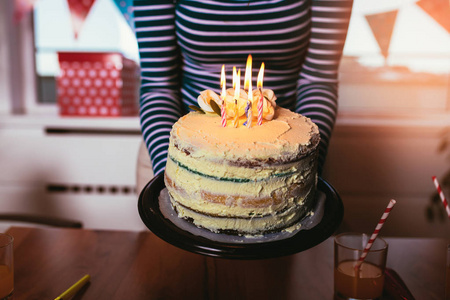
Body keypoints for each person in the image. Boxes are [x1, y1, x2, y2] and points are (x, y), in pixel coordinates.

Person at [133, 0, 353, 193]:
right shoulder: (171, 164)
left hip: (292, 161)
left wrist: (305, 163)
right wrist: (175, 172)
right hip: (175, 153)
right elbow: (158, 85)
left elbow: (318, 80)